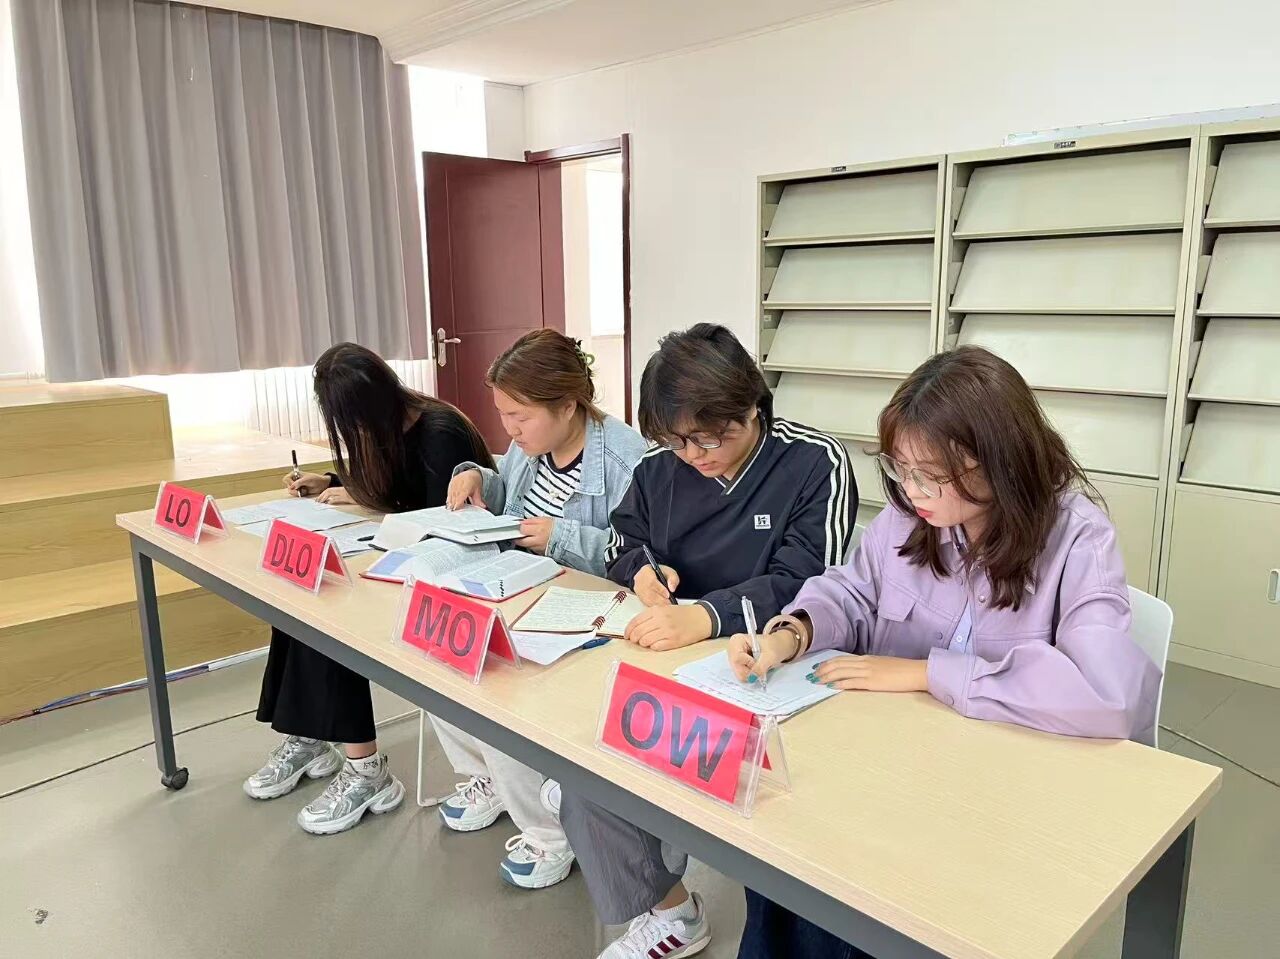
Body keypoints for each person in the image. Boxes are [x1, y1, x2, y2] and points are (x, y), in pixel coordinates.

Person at [727, 345, 1162, 959]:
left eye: (929, 474)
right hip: (897, 765)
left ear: (998, 462)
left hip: (1000, 797)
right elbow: (853, 590)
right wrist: (790, 633)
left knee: (851, 889)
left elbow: (1107, 695)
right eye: (900, 469)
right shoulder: (911, 515)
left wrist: (928, 673)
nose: (911, 491)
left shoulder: (1077, 538)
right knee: (786, 849)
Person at [559, 323, 856, 959]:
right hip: (673, 657)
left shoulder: (814, 462)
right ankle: (671, 910)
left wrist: (705, 616)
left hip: (776, 666)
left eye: (711, 437)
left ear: (752, 406)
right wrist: (644, 571)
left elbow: (811, 582)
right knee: (584, 771)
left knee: (785, 823)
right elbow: (623, 539)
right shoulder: (658, 467)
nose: (695, 455)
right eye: (678, 440)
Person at [244, 343, 495, 836]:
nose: (353, 431)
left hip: (450, 573)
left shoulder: (440, 432)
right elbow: (389, 483)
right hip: (397, 557)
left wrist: (369, 507)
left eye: (353, 419)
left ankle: (367, 770)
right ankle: (308, 733)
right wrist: (331, 481)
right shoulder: (385, 426)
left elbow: (440, 525)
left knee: (333, 606)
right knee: (298, 592)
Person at [431, 329, 647, 889]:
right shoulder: (533, 446)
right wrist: (477, 476)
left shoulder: (627, 460)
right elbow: (510, 498)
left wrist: (562, 536)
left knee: (497, 682)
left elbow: (642, 557)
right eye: (503, 414)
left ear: (568, 405)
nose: (509, 429)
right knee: (438, 654)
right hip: (523, 591)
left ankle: (550, 831)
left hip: (590, 613)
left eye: (520, 416)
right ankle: (489, 778)